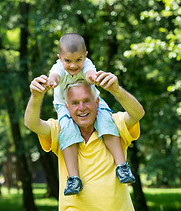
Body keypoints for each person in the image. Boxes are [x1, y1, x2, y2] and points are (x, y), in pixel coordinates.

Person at [24, 72, 145, 210]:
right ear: (67, 108)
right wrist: (36, 96)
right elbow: (31, 123)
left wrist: (116, 90)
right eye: (75, 103)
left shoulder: (113, 125)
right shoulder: (60, 130)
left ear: (97, 102)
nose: (81, 108)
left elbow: (137, 113)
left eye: (86, 100)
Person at [45, 33, 135, 195]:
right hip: (64, 106)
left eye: (78, 60)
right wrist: (52, 81)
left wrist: (94, 78)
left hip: (93, 102)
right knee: (67, 133)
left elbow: (89, 73)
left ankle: (122, 166)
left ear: (85, 56)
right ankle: (73, 178)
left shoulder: (87, 64)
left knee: (107, 123)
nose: (73, 65)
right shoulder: (58, 67)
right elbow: (55, 75)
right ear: (60, 58)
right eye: (68, 61)